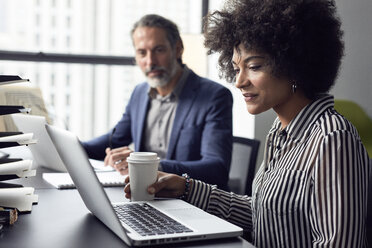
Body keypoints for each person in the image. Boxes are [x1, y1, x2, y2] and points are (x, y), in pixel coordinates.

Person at [124, 1, 371, 247]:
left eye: (253, 67)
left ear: (294, 64)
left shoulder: (333, 138)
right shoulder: (281, 132)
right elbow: (263, 215)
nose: (239, 81)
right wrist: (187, 188)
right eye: (236, 68)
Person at [82, 14, 233, 189]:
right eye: (142, 53)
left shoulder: (214, 96)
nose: (150, 61)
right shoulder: (139, 93)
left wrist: (148, 165)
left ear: (177, 49)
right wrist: (70, 147)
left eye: (159, 50)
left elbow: (217, 169)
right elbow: (112, 141)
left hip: (190, 201)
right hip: (145, 195)